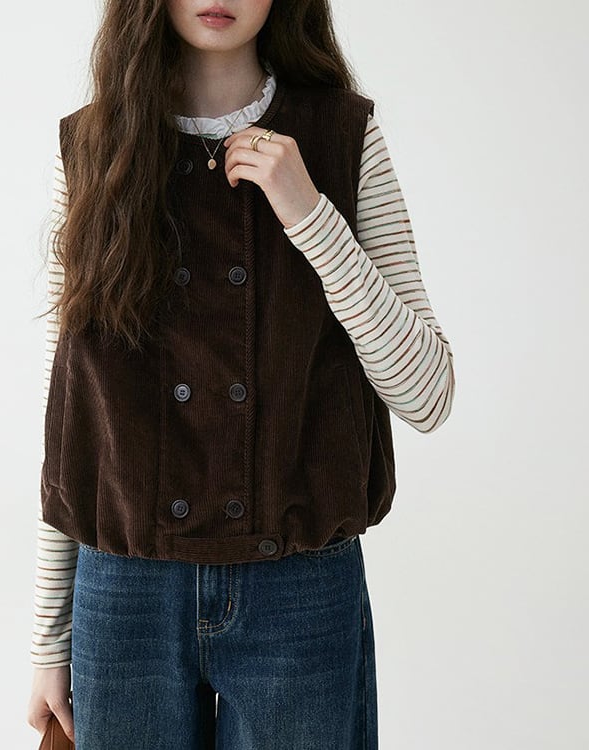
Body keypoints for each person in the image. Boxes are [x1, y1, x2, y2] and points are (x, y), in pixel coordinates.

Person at [26, 1, 455, 747]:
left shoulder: (342, 135)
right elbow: (68, 416)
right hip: (125, 595)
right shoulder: (94, 147)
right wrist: (47, 637)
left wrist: (310, 214)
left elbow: (427, 393)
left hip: (300, 588)